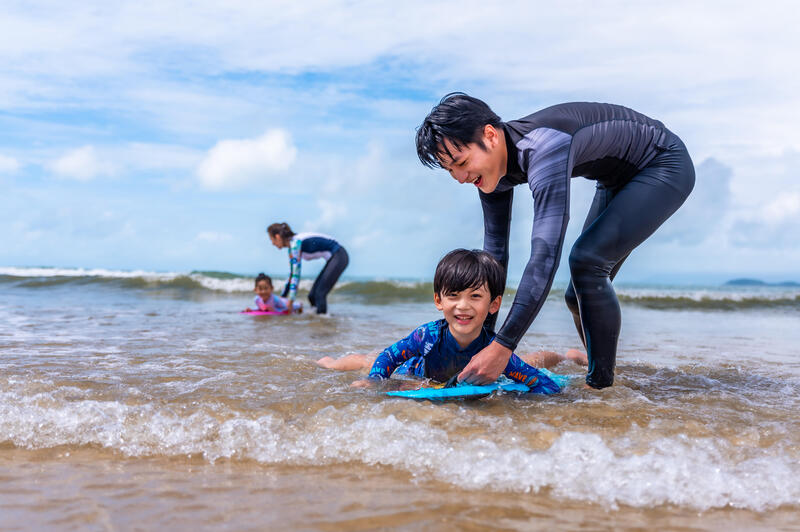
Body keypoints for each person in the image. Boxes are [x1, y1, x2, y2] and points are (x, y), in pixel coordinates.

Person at [416, 94, 695, 388]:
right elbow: (494, 258)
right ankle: (598, 365)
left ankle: (599, 387)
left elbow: (545, 253)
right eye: (450, 170)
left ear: (490, 135)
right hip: (616, 178)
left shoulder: (544, 146)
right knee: (577, 296)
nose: (459, 177)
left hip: (663, 163)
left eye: (461, 162)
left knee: (588, 263)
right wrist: (479, 344)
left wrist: (503, 346)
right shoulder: (490, 174)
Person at [319, 249, 586, 394]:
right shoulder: (426, 336)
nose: (463, 305)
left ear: (494, 304)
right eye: (453, 296)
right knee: (370, 359)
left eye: (475, 296)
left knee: (528, 362)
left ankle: (567, 356)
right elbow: (389, 357)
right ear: (439, 300)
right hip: (418, 369)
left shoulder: (494, 351)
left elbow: (543, 383)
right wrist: (374, 381)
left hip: (476, 366)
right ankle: (332, 363)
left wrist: (553, 395)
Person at [266, 222, 349, 314]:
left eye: (271, 240)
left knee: (319, 294)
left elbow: (296, 276)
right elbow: (292, 274)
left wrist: (291, 301)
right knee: (311, 296)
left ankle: (323, 323)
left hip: (339, 255)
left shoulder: (295, 244)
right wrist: (283, 297)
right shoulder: (292, 246)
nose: (272, 243)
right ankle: (318, 321)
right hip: (333, 257)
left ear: (277, 237)